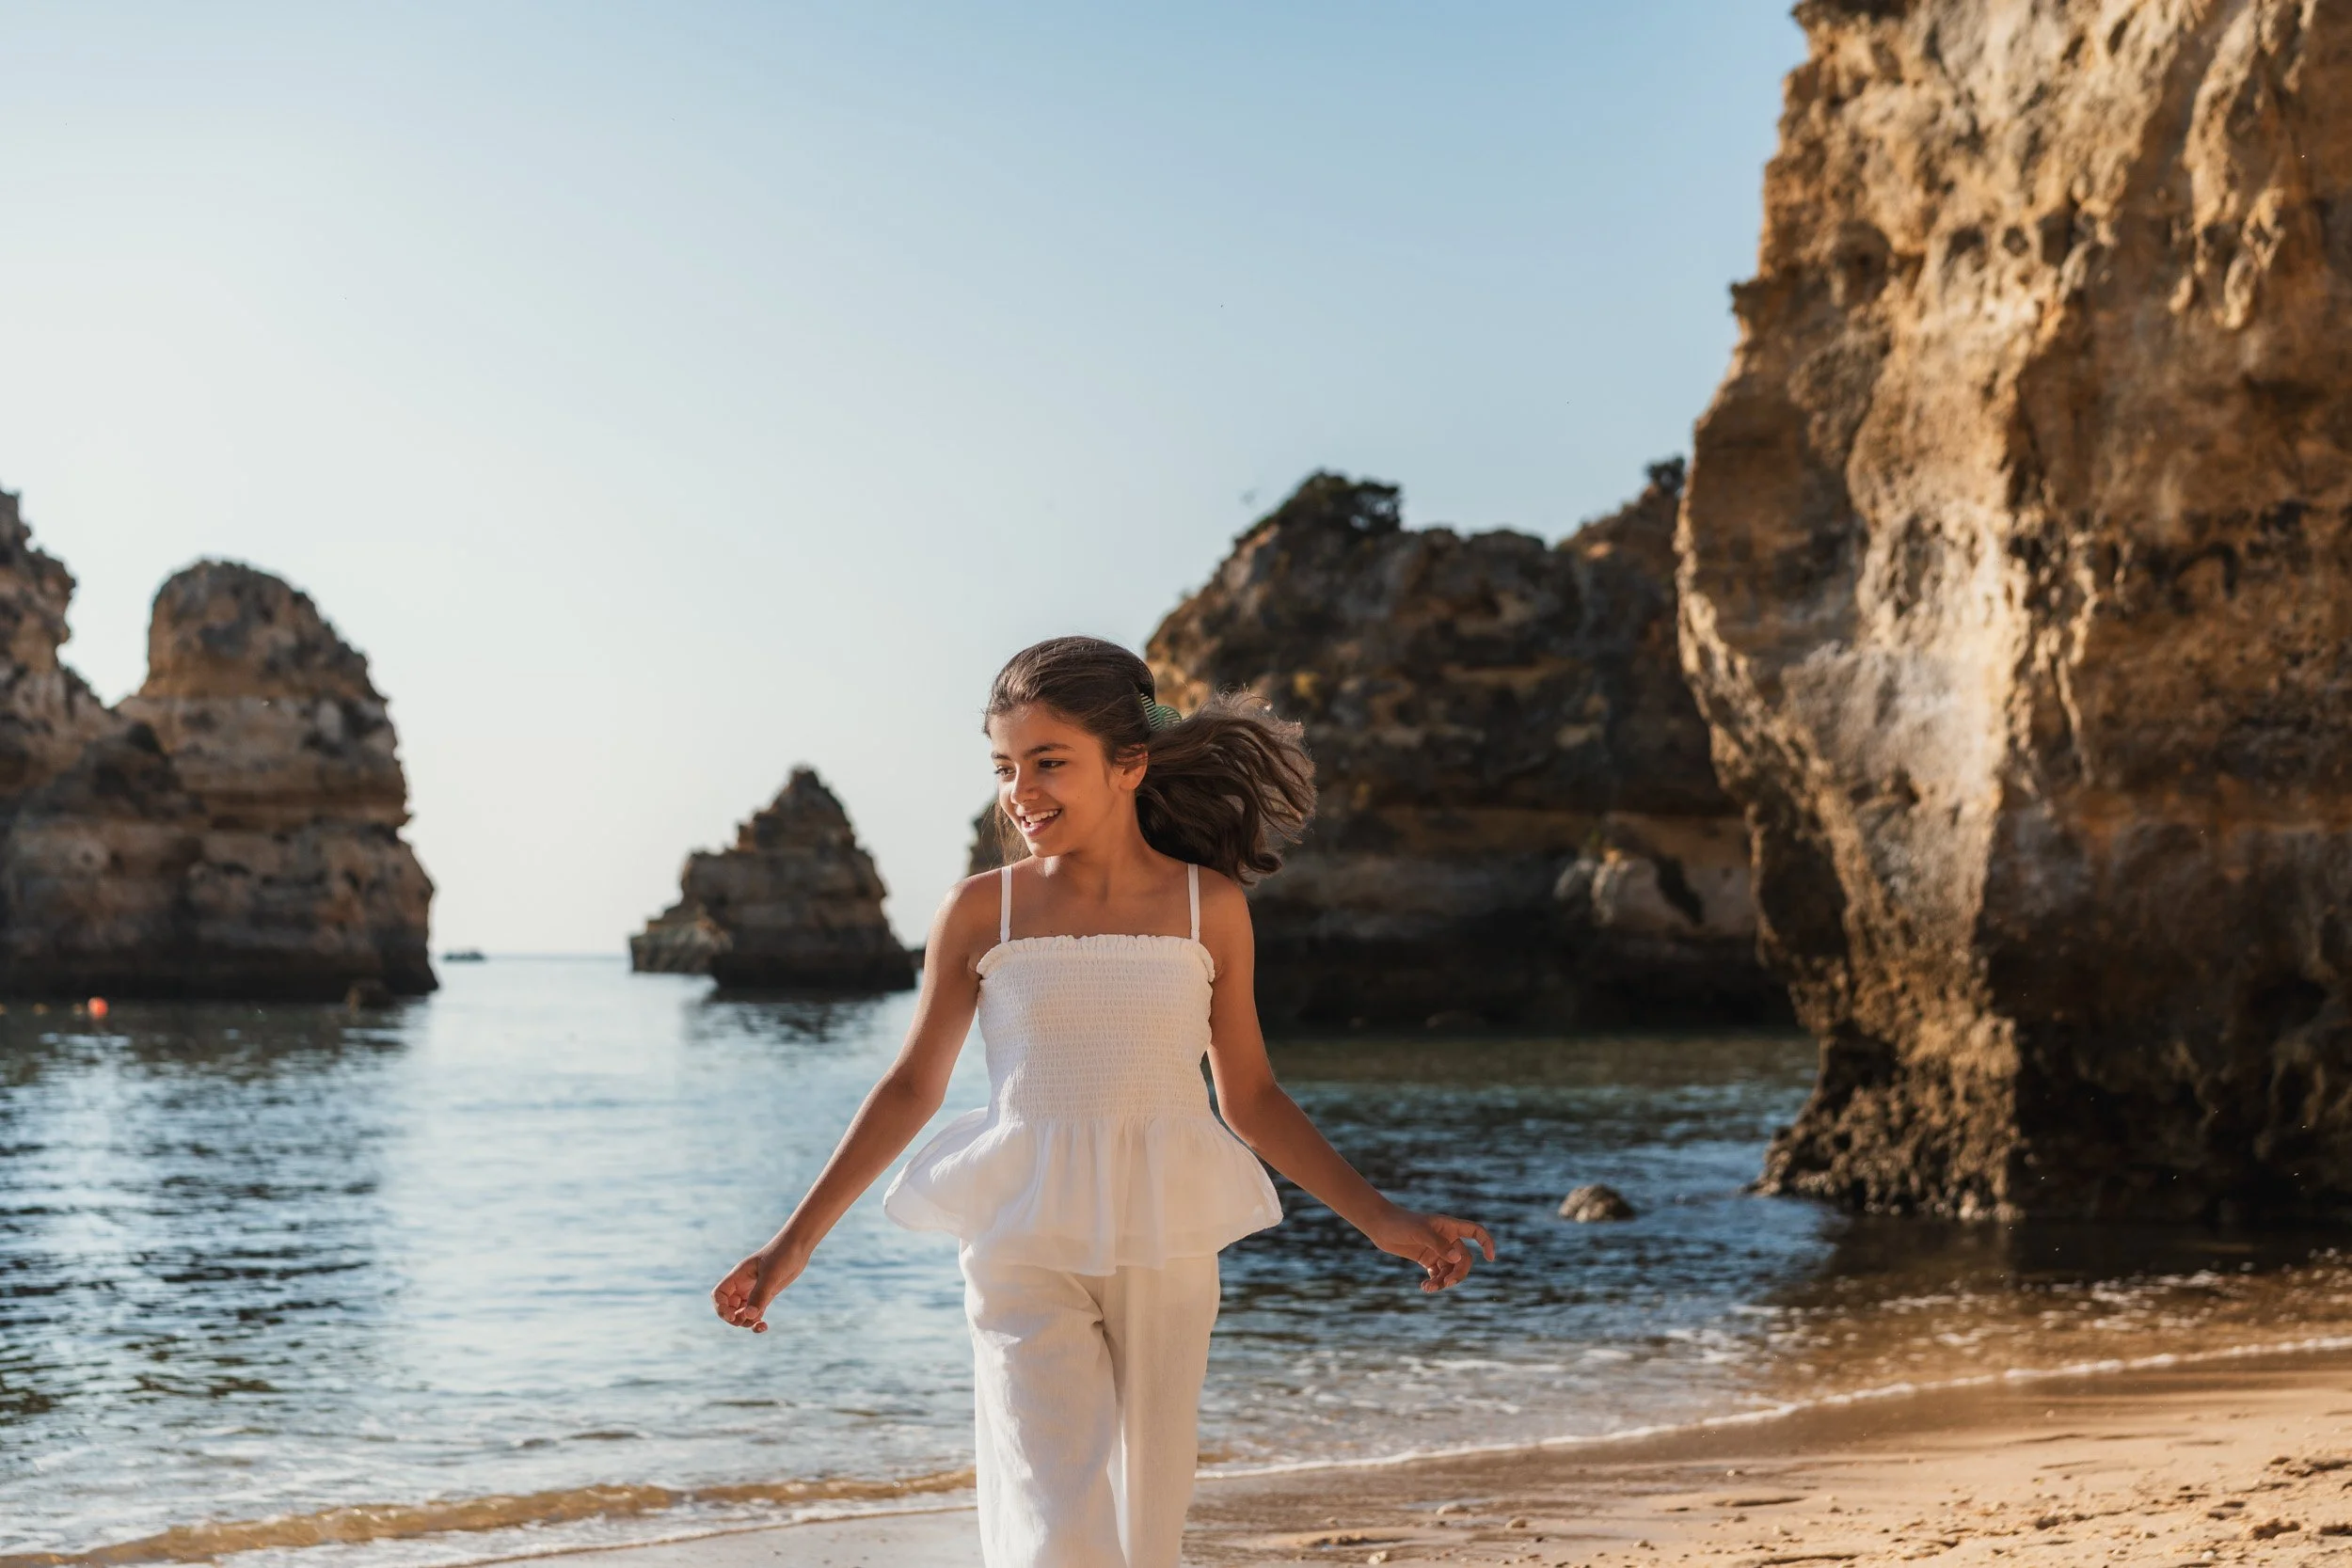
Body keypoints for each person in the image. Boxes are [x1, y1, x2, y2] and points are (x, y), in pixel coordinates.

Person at [711, 635, 1495, 1568]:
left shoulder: (1210, 906)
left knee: (1145, 1522)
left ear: (1129, 763)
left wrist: (1379, 1217)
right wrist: (793, 1240)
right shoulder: (981, 910)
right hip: (1019, 1239)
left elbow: (1249, 1095)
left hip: (1166, 1236)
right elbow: (911, 1084)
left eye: (1049, 761)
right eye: (1005, 766)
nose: (1020, 789)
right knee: (1056, 1520)